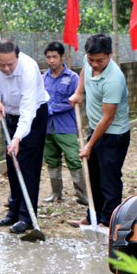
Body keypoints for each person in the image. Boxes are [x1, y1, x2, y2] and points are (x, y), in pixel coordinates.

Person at [0, 39, 49, 234]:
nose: (6, 68)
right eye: (1, 64)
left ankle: (27, 217)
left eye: (10, 64)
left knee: (26, 165)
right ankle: (13, 212)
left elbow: (28, 110)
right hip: (10, 115)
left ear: (18, 57)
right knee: (11, 164)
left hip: (34, 116)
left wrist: (17, 138)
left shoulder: (29, 68)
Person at [68, 33, 130, 227]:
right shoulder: (90, 64)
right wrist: (78, 92)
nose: (94, 64)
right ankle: (91, 216)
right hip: (96, 129)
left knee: (109, 178)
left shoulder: (114, 79)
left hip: (114, 135)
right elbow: (85, 72)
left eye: (100, 60)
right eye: (91, 59)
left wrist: (89, 145)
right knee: (92, 174)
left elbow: (108, 118)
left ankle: (108, 222)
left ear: (110, 55)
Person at [41, 42, 87, 205]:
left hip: (66, 126)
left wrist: (51, 108)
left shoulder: (73, 78)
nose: (51, 60)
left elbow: (73, 100)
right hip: (47, 127)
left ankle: (83, 195)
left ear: (62, 57)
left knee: (74, 159)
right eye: (48, 57)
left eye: (54, 57)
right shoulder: (42, 78)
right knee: (52, 159)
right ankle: (56, 193)